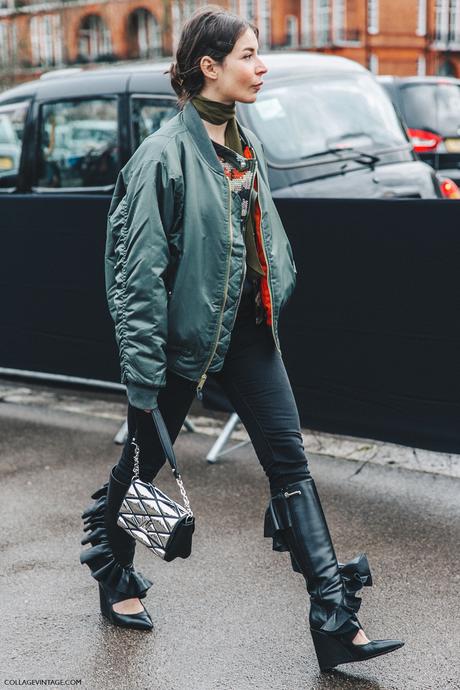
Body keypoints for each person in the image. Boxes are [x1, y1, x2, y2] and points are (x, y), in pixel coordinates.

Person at [79, 5, 404, 672]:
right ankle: (113, 570)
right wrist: (143, 374)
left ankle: (333, 618)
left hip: (246, 335)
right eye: (249, 55)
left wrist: (273, 290)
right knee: (140, 467)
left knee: (290, 465)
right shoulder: (161, 157)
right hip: (176, 345)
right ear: (209, 66)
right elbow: (136, 276)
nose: (262, 67)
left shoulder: (243, 144)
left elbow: (258, 242)